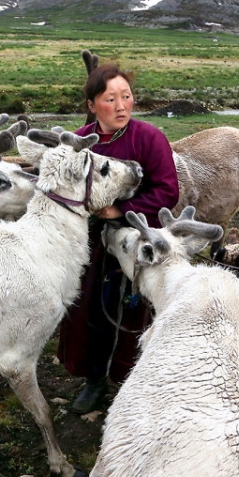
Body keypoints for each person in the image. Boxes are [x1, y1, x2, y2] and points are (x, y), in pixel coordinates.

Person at [57, 62, 179, 414]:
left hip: (136, 239)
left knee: (133, 313)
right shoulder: (80, 141)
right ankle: (94, 379)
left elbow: (167, 191)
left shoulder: (149, 138)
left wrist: (120, 210)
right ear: (92, 105)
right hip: (90, 244)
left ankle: (133, 382)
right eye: (111, 99)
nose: (122, 106)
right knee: (88, 311)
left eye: (126, 96)